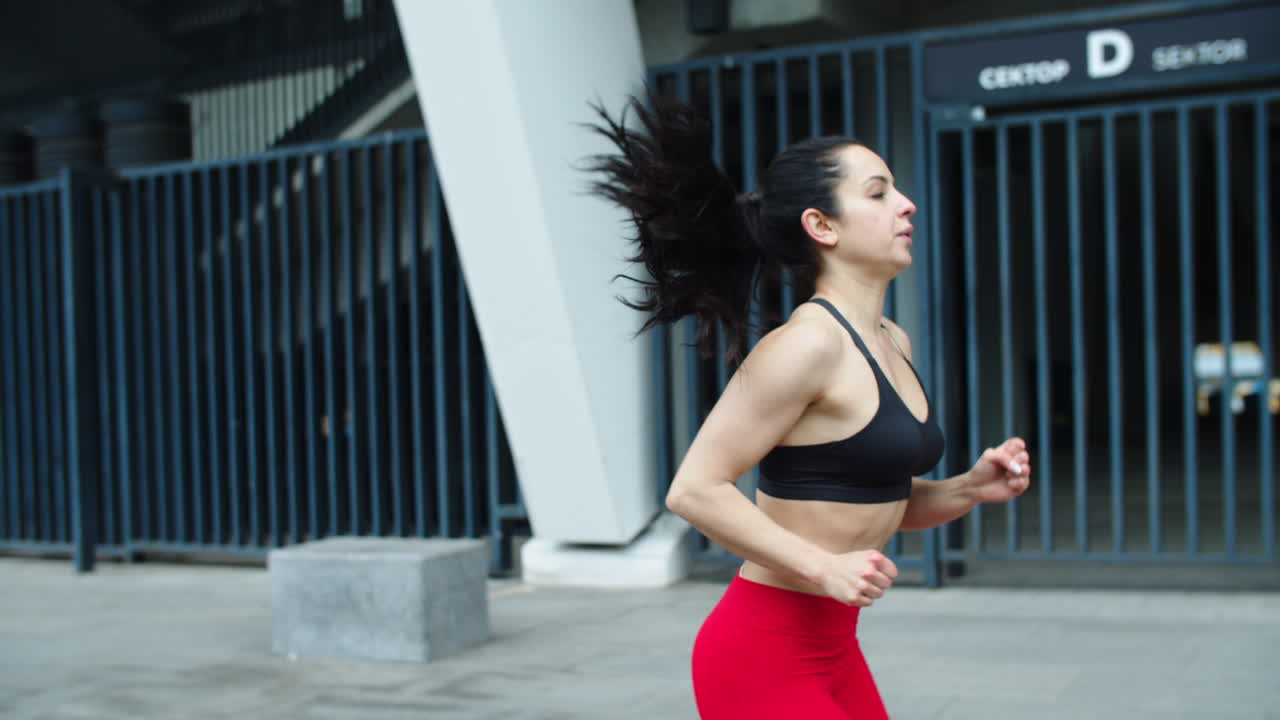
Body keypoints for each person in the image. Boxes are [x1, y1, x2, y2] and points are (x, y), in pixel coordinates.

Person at [587, 93, 1032, 719]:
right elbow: (694, 490)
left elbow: (875, 500)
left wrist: (969, 488)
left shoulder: (891, 340)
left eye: (896, 190)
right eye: (877, 193)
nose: (906, 204)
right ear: (822, 226)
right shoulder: (803, 347)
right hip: (761, 655)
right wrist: (823, 569)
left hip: (836, 652)